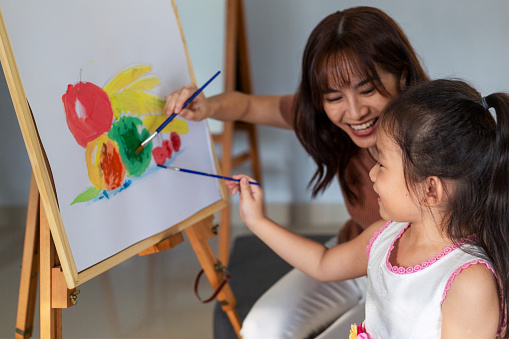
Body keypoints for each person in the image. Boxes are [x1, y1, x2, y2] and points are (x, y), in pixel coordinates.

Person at [166, 7, 429, 338]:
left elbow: (326, 264)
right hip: (352, 255)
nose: (354, 111)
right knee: (260, 329)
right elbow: (246, 106)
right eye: (334, 96)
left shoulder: (433, 144)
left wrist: (258, 221)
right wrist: (206, 107)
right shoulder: (323, 120)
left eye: (367, 90)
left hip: (406, 280)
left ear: (402, 76)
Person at [227, 79, 509, 338]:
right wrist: (258, 222)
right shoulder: (387, 236)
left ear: (430, 190)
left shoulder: (469, 281)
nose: (372, 174)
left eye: (382, 164)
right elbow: (323, 263)